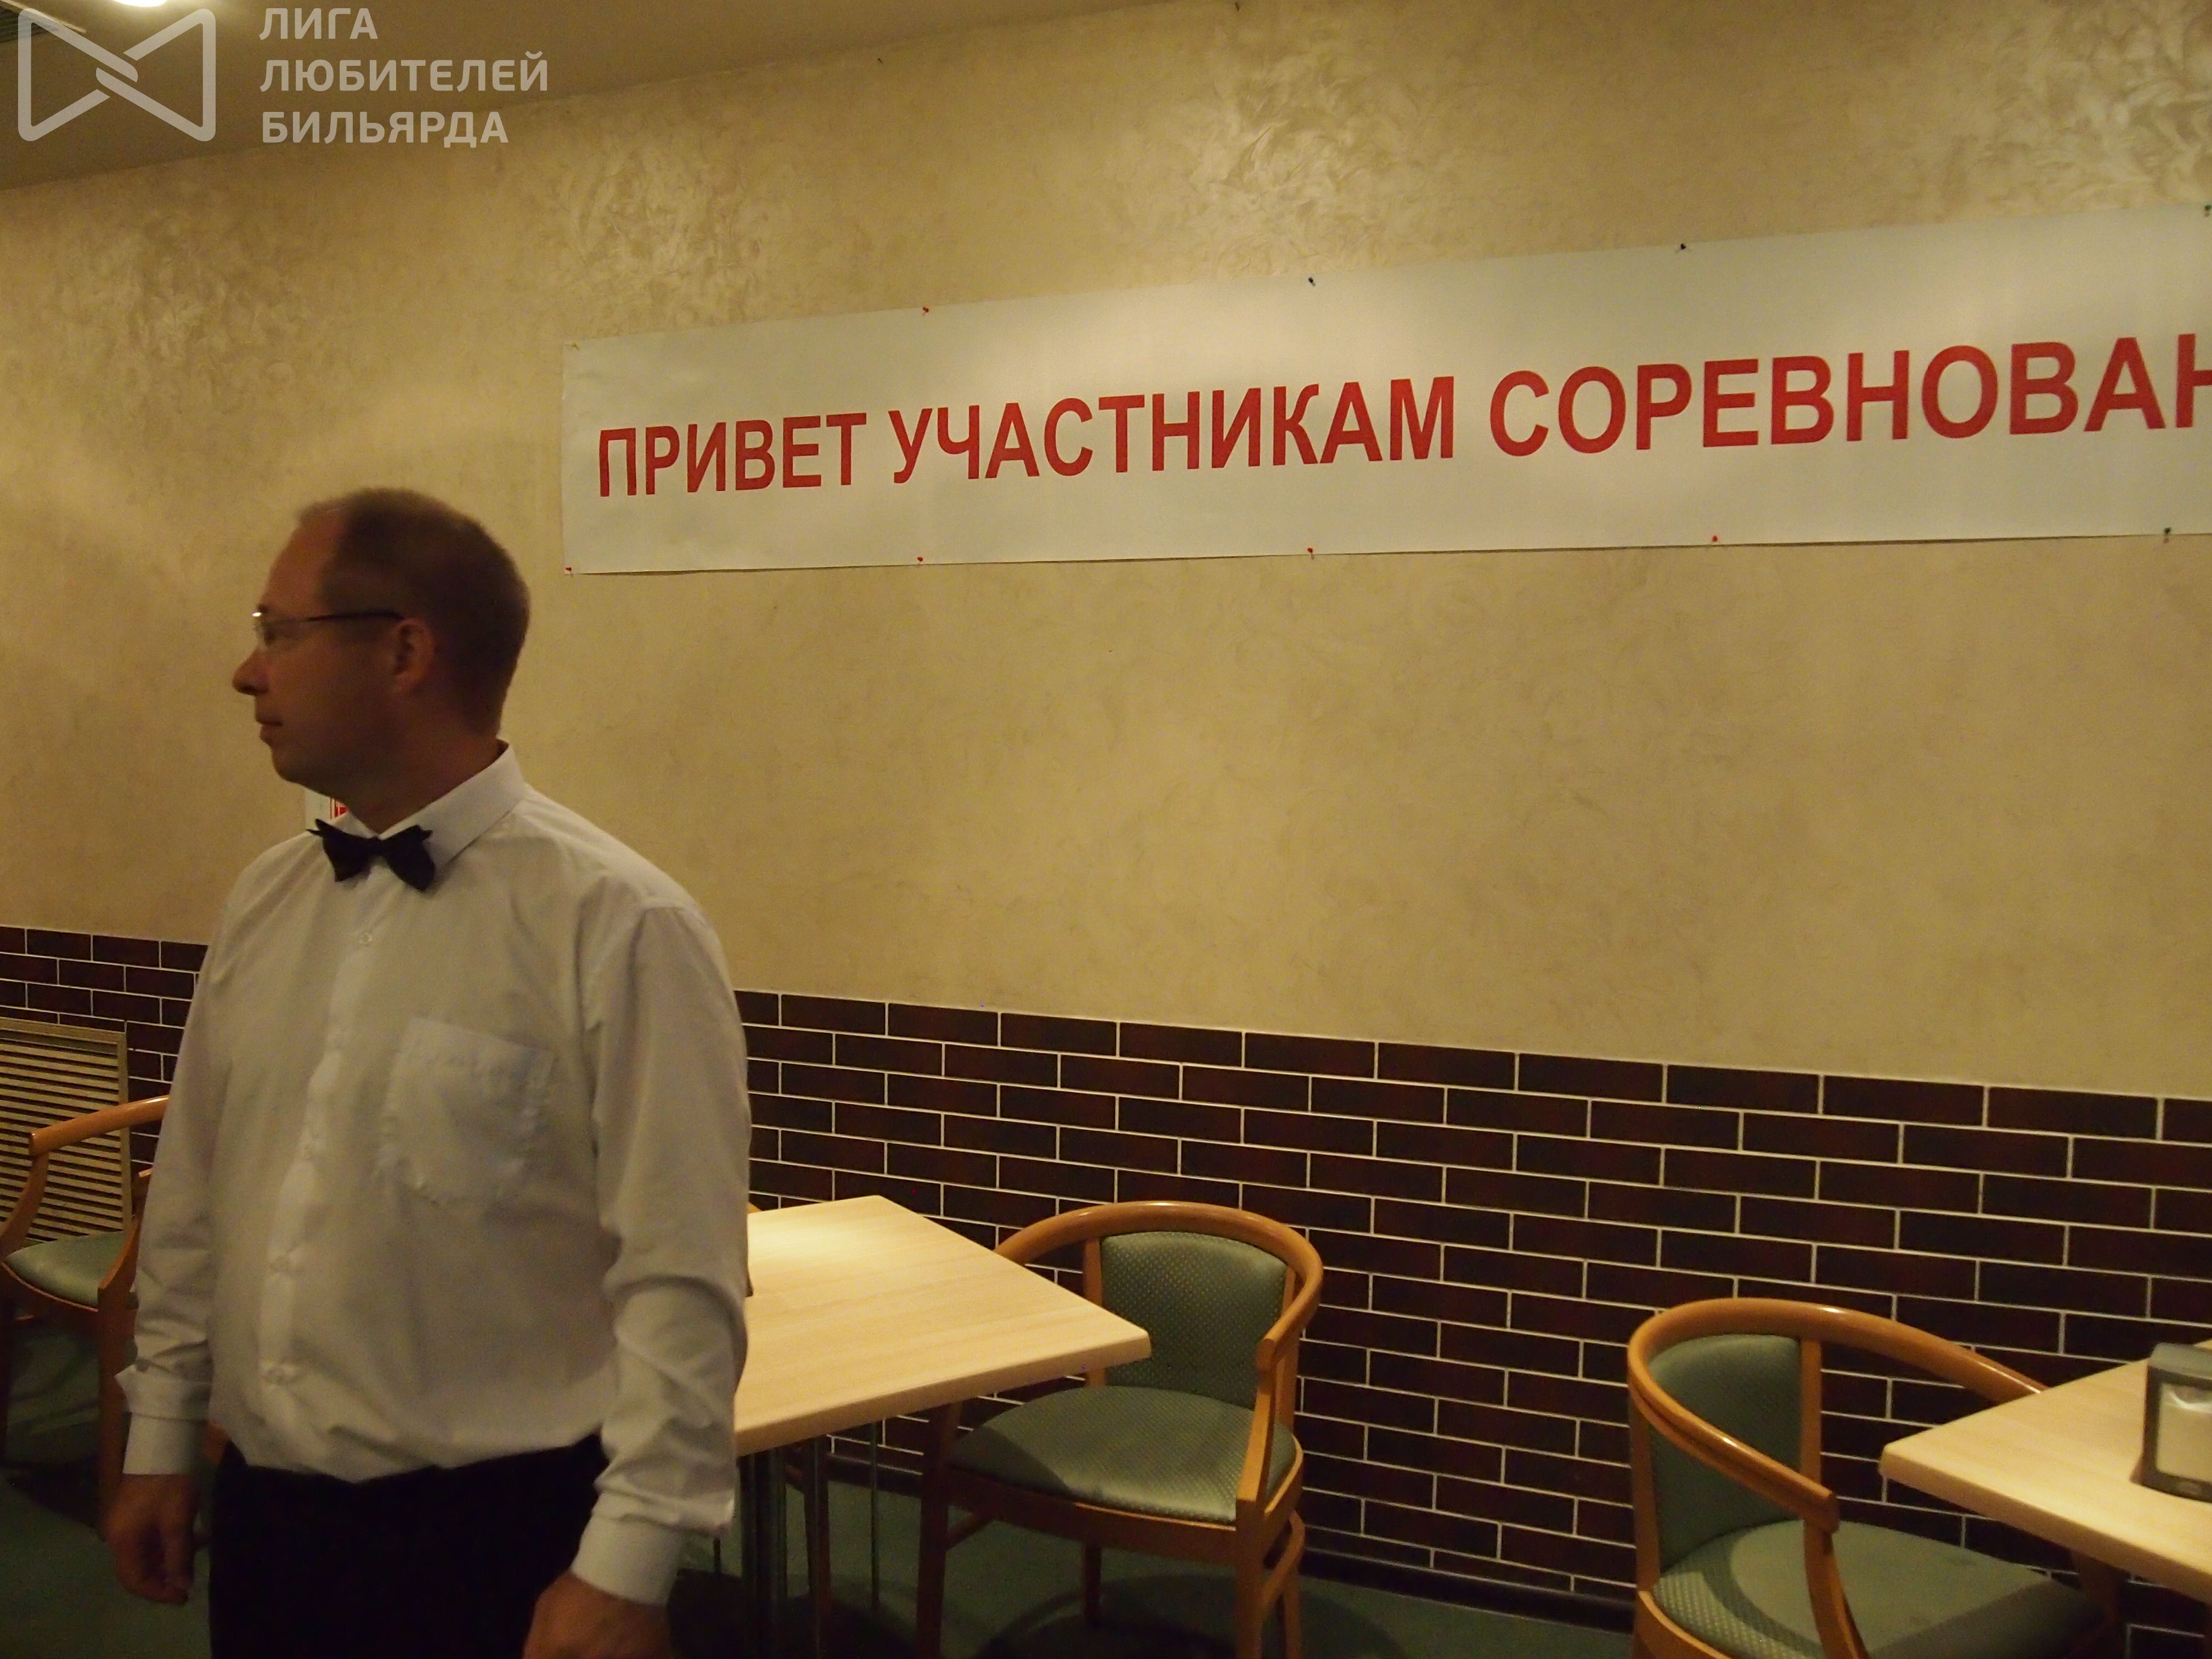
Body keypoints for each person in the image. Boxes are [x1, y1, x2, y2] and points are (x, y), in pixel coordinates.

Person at [105, 489, 751, 1659]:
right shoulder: (264, 900)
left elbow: (680, 1275)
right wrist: (161, 1432)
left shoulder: (619, 924)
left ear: (404, 651)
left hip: (499, 1541)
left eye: (278, 631)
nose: (247, 673)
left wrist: (632, 1560)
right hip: (266, 1521)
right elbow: (196, 1195)